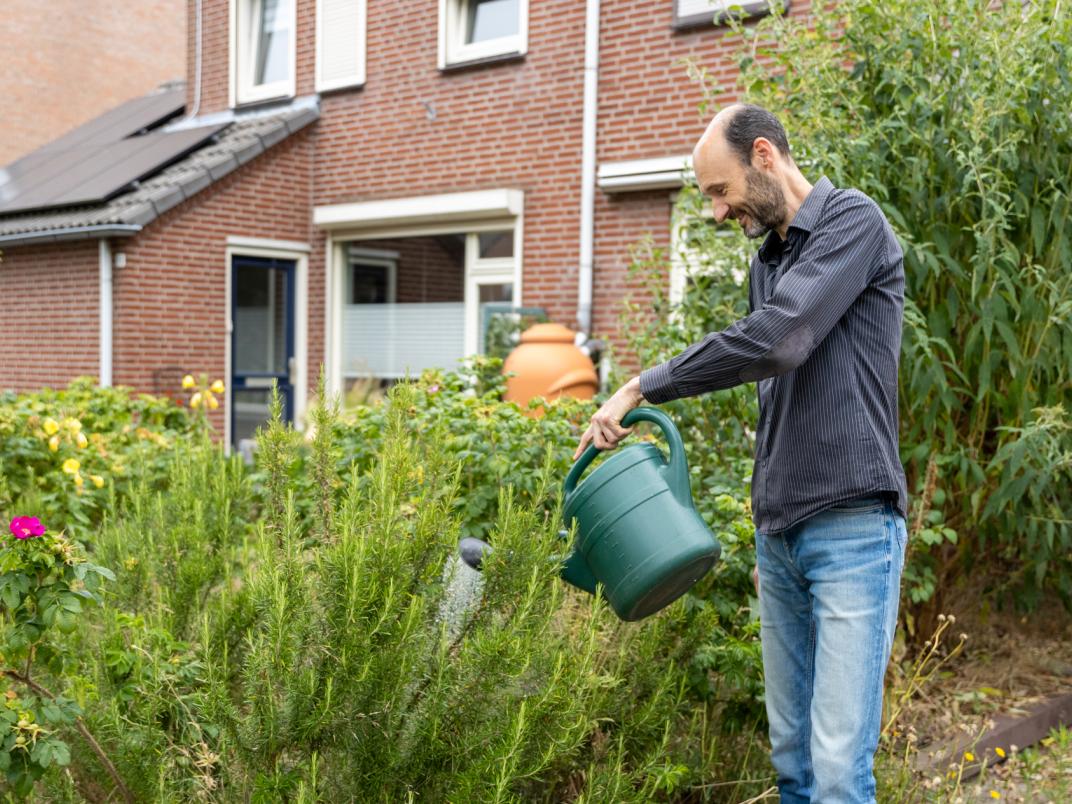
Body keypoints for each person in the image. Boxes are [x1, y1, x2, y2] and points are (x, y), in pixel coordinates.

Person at [572, 103, 909, 804]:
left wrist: (643, 384)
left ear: (763, 155)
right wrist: (770, 528)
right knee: (793, 761)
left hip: (852, 526)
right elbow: (778, 399)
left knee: (841, 768)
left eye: (718, 191)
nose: (718, 212)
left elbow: (780, 341)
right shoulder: (770, 263)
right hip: (783, 536)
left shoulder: (853, 222)